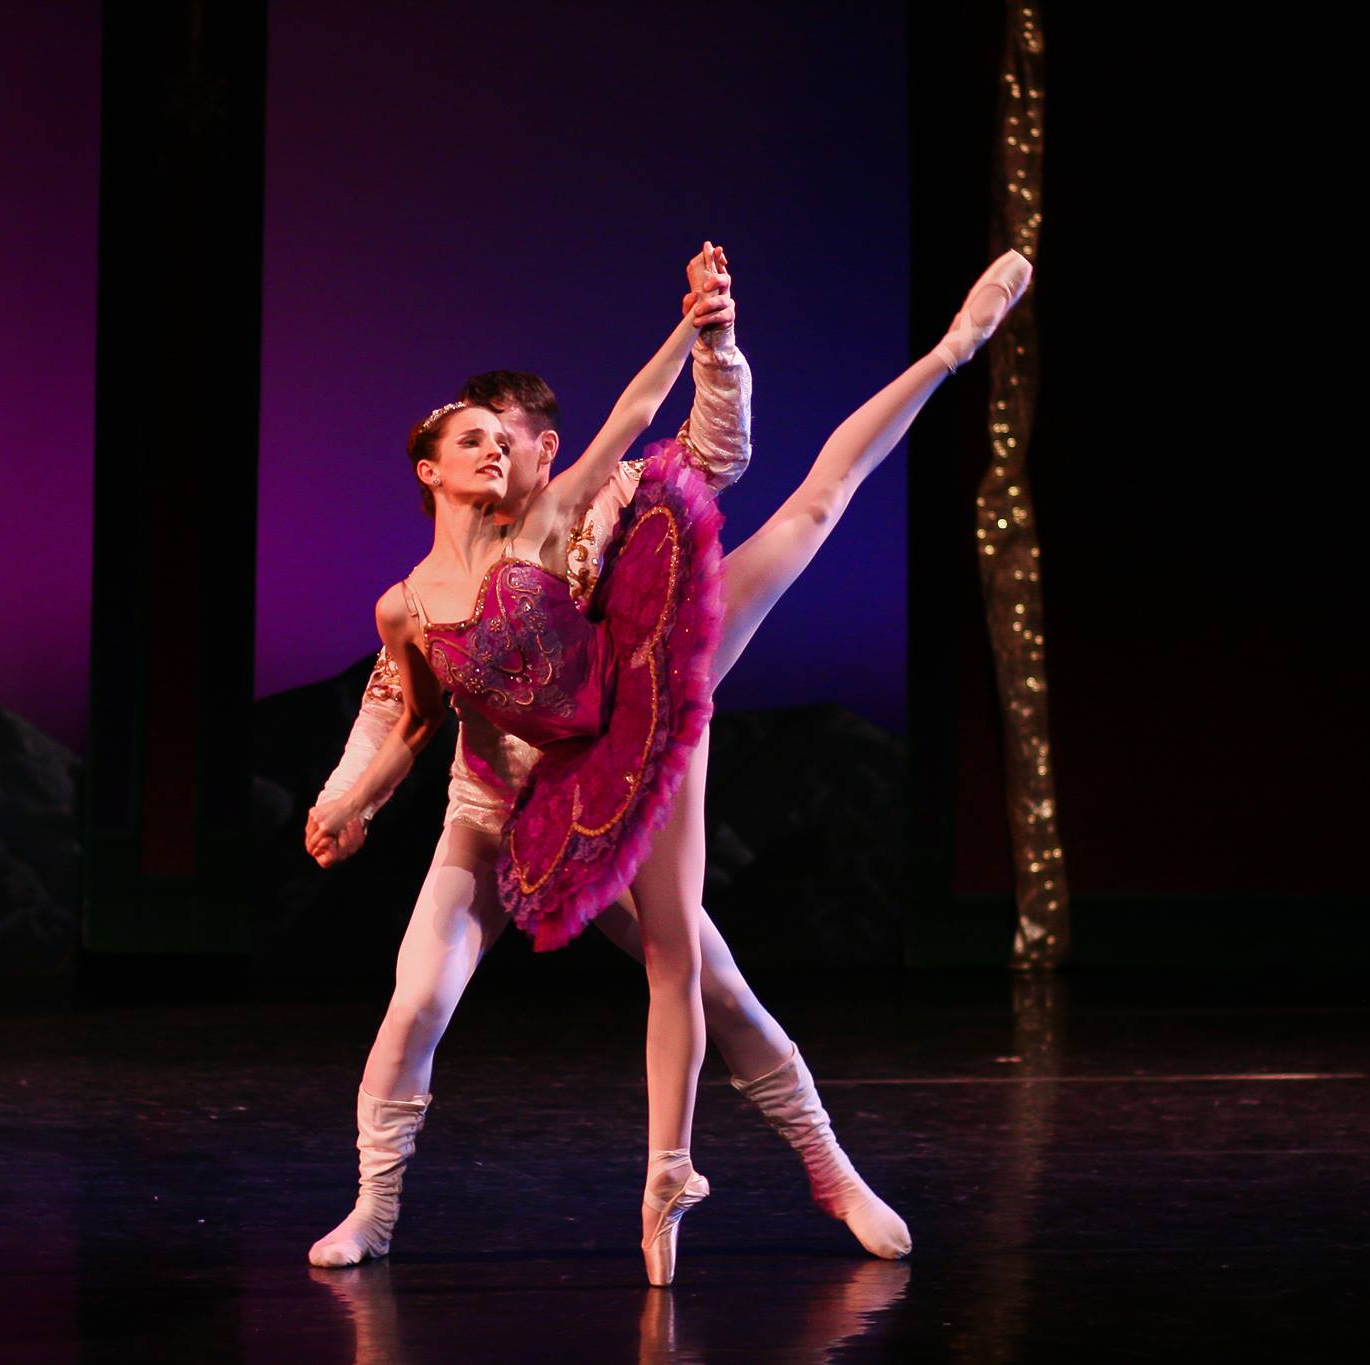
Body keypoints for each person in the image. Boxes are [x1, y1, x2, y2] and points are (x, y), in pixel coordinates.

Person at [320, 245, 1031, 1283]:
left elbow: (701, 440)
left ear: (541, 446)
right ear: (436, 465)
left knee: (713, 981)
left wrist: (713, 338)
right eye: (474, 437)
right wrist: (346, 802)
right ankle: (372, 1209)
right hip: (496, 806)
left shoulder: (587, 500)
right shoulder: (418, 597)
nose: (495, 452)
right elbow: (401, 709)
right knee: (419, 996)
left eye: (506, 437)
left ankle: (829, 1168)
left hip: (619, 733)